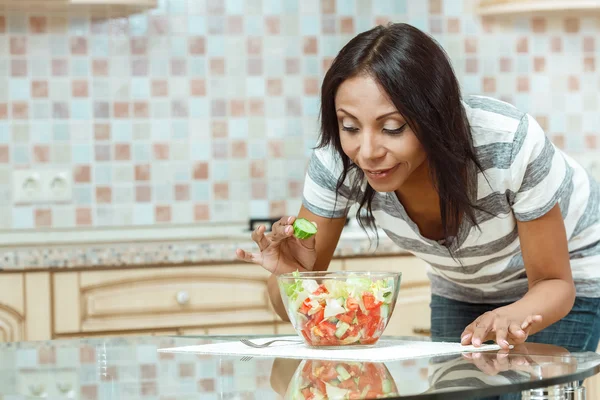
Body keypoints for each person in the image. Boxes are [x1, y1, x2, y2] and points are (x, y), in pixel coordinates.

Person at [236, 22, 600, 359]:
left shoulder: (508, 143)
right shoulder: (337, 160)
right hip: (462, 285)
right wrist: (290, 277)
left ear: (435, 117)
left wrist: (513, 315)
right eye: (349, 126)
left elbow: (555, 284)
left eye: (392, 127)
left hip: (570, 273)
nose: (367, 152)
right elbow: (293, 305)